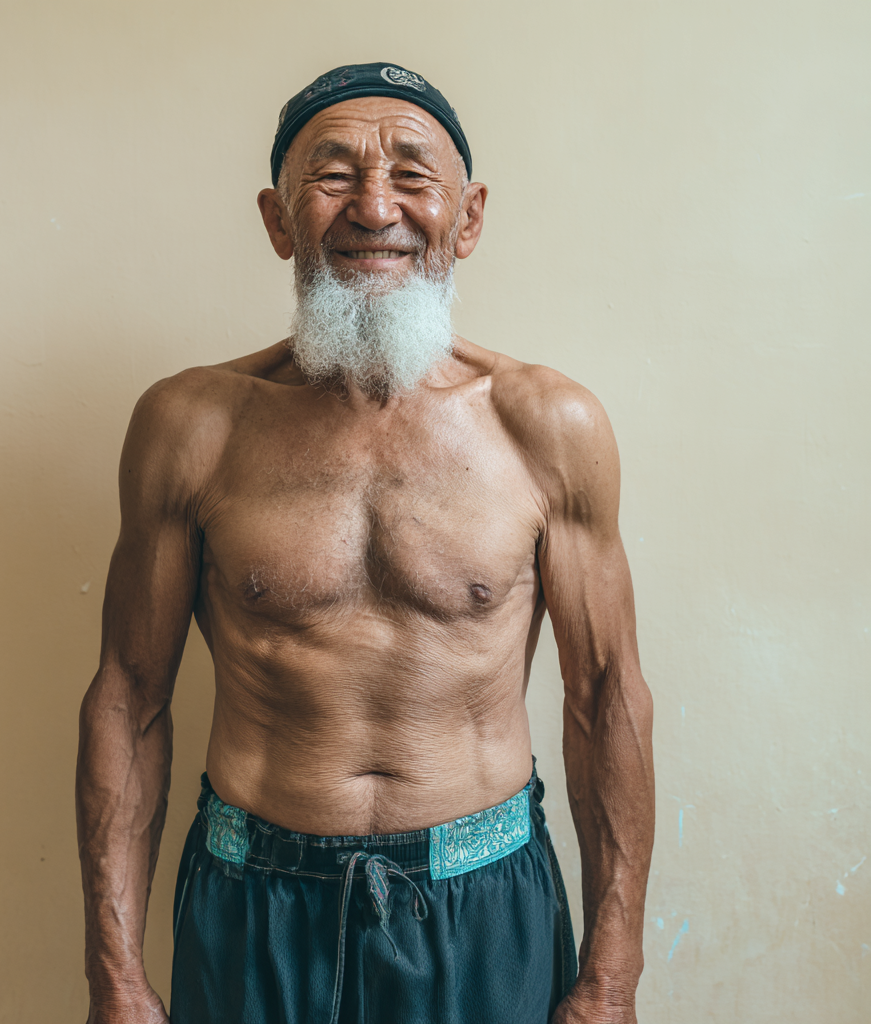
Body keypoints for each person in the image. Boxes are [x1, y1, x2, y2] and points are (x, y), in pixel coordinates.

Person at [76, 62, 654, 1024]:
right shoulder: (192, 426)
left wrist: (612, 978)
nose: (373, 205)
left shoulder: (549, 425)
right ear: (278, 219)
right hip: (253, 902)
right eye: (333, 174)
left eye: (413, 176)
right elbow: (129, 697)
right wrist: (116, 975)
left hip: (484, 907)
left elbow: (606, 698)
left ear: (466, 217)